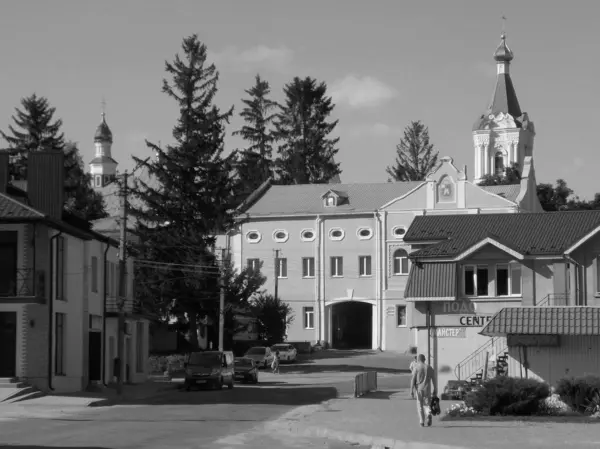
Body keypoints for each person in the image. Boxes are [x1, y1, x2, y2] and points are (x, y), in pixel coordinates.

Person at [410, 354, 437, 427]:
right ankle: (428, 414)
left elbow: (413, 379)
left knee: (419, 405)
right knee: (427, 404)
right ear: (424, 359)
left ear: (418, 360)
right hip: (427, 389)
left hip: (419, 389)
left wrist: (411, 390)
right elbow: (434, 379)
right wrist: (435, 388)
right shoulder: (429, 367)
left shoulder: (416, 367)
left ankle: (422, 421)